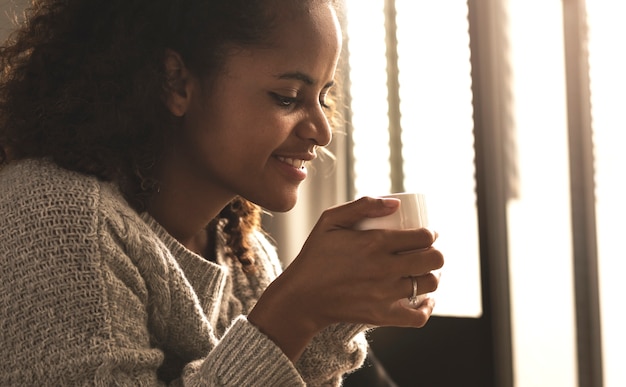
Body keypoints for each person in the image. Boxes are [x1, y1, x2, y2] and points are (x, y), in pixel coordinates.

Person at [0, 0, 444, 385]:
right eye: (288, 96)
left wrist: (327, 319)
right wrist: (293, 312)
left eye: (323, 97)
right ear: (176, 82)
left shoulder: (244, 255)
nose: (322, 131)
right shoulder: (54, 220)